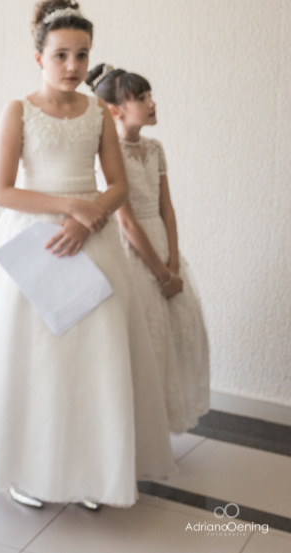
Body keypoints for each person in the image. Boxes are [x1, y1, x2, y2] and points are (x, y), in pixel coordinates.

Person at [0, 0, 175, 508]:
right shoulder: (18, 110)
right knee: (34, 360)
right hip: (33, 240)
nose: (73, 65)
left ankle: (91, 471)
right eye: (61, 55)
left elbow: (119, 186)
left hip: (93, 242)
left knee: (92, 361)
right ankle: (26, 470)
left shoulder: (100, 114)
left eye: (82, 55)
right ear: (39, 58)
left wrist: (90, 218)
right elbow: (2, 191)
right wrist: (72, 207)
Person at [88, 63, 210, 433]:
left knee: (171, 337)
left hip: (161, 246)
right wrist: (159, 273)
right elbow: (126, 222)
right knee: (140, 337)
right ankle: (131, 429)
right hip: (134, 254)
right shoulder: (109, 156)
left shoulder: (154, 149)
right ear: (115, 110)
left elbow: (166, 208)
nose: (151, 103)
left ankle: (157, 427)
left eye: (149, 95)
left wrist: (174, 260)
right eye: (141, 98)